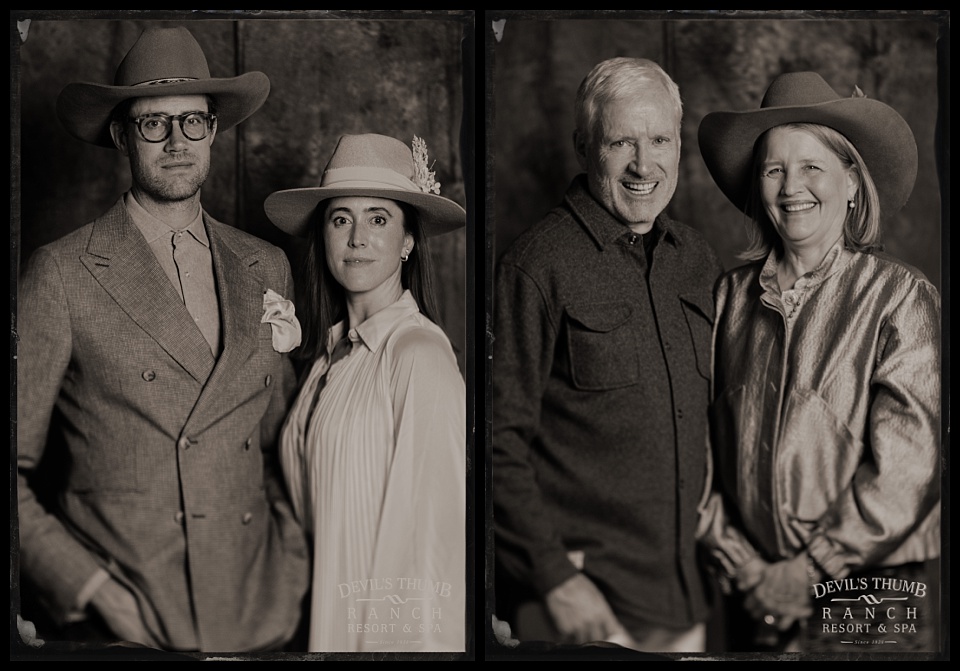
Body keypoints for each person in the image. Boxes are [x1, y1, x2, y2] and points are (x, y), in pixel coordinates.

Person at [16, 26, 310, 652]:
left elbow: (285, 440)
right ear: (121, 135)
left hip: (259, 613)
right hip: (126, 623)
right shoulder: (62, 272)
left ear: (213, 129)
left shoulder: (265, 264)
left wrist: (292, 565)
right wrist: (94, 591)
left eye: (192, 122)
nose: (177, 142)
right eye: (154, 124)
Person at [696, 71, 941, 653]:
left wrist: (807, 570)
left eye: (812, 167)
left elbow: (911, 467)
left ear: (852, 182)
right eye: (774, 169)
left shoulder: (900, 297)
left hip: (874, 600)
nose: (791, 187)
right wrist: (744, 564)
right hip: (751, 594)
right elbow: (694, 442)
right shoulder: (725, 299)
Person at [492, 57, 723, 653]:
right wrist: (554, 578)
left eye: (660, 140)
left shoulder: (697, 260)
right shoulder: (535, 265)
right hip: (582, 609)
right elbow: (496, 442)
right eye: (621, 141)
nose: (644, 164)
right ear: (583, 147)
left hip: (683, 600)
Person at [264, 133, 467, 653]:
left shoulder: (418, 356)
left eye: (378, 218)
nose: (357, 237)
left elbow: (432, 554)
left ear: (407, 241)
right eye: (340, 219)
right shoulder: (326, 357)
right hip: (314, 632)